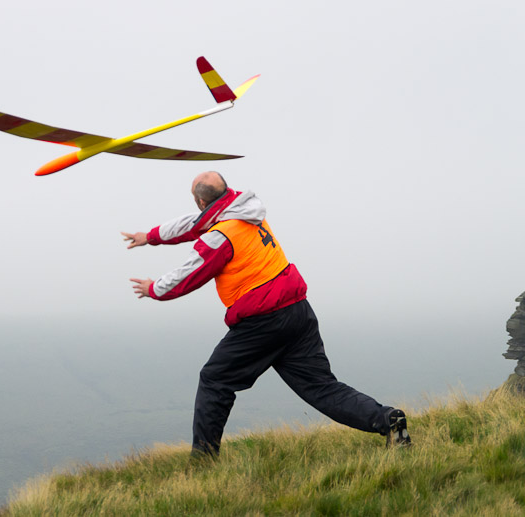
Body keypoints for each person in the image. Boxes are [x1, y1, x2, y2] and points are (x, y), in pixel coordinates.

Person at [122, 171, 411, 457]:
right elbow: (192, 224)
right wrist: (149, 237)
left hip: (264, 321)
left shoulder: (220, 236)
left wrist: (154, 289)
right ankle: (389, 421)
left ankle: (203, 464)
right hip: (297, 311)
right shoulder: (244, 210)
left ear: (200, 201)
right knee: (321, 387)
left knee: (215, 380)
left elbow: (189, 275)